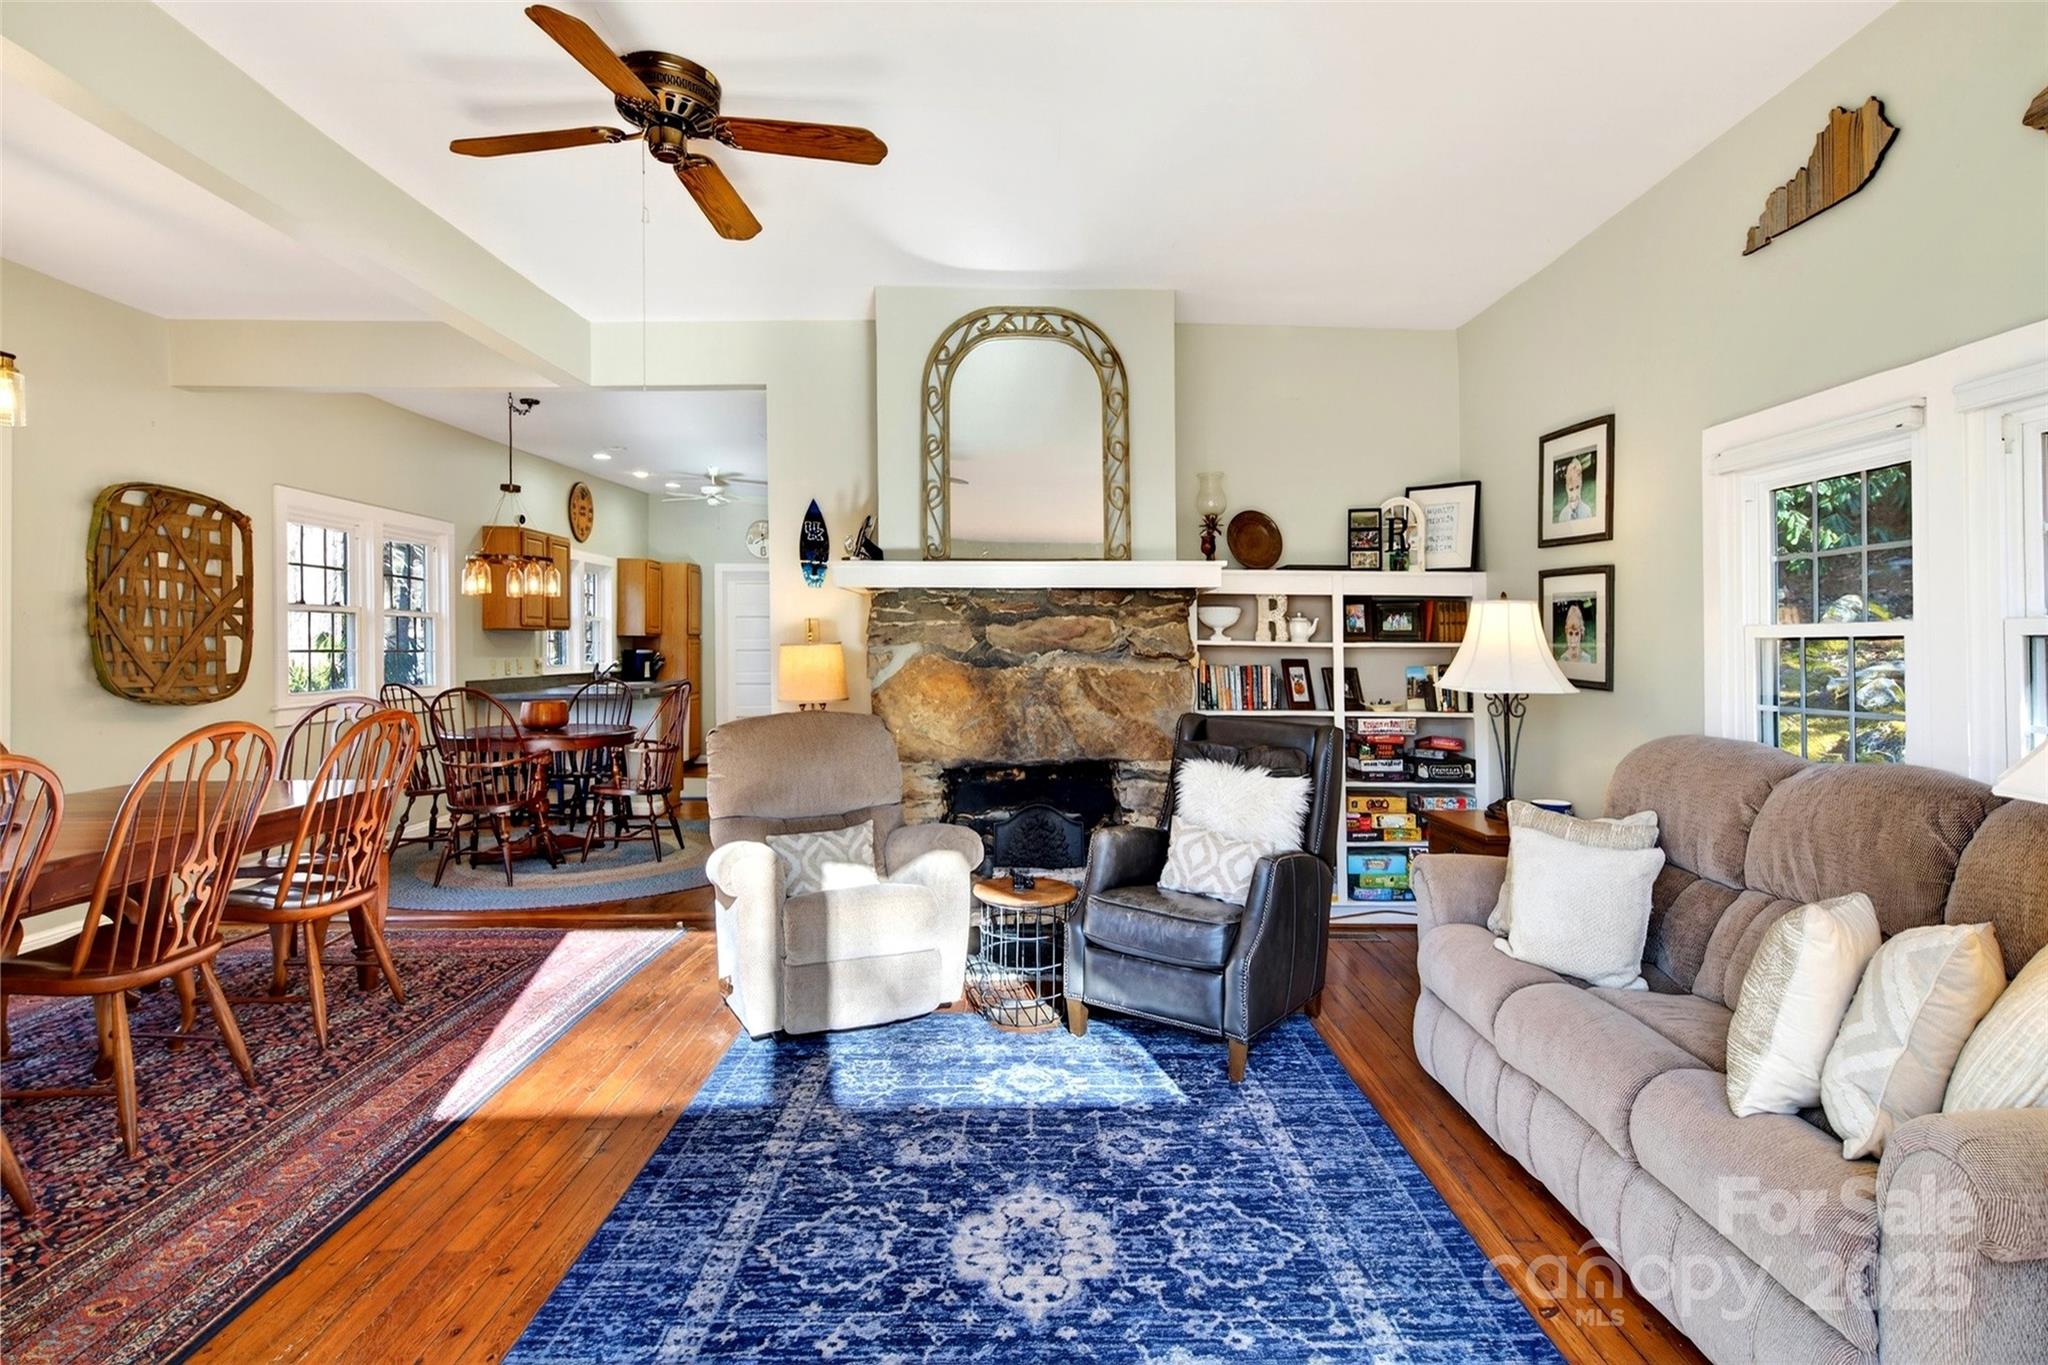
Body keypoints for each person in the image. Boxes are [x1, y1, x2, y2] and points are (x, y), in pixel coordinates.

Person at [1557, 454, 1596, 521]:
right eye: (1571, 489)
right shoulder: (1563, 515)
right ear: (1566, 488)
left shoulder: (1587, 511)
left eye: (1577, 487)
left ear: (1581, 484)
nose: (1575, 494)